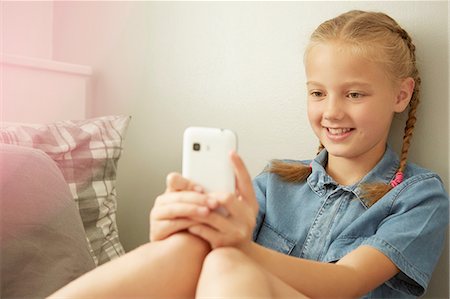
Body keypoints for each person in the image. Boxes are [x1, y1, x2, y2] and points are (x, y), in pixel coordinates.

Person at [49, 10, 449, 298]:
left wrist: (237, 247)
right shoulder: (275, 179)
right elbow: (205, 247)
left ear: (401, 95)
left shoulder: (419, 196)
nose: (331, 111)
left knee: (228, 260)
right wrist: (173, 232)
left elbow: (346, 283)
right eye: (317, 92)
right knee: (192, 246)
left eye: (355, 94)